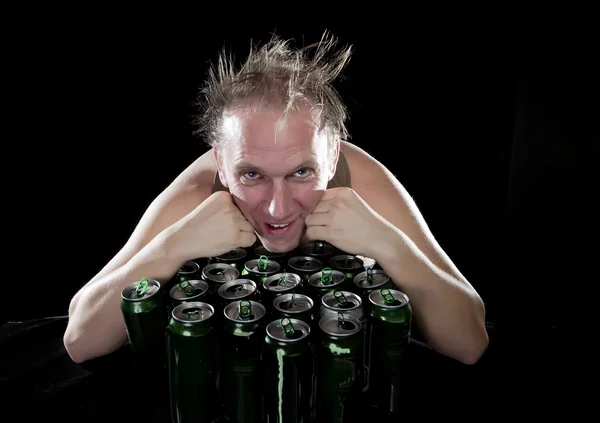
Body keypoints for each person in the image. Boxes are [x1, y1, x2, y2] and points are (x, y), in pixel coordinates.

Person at [63, 31, 489, 366]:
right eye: (251, 175)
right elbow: (80, 338)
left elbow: (470, 341)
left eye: (302, 172)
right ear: (220, 162)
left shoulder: (364, 182)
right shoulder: (197, 192)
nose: (278, 208)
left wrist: (390, 245)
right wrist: (171, 246)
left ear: (333, 152)